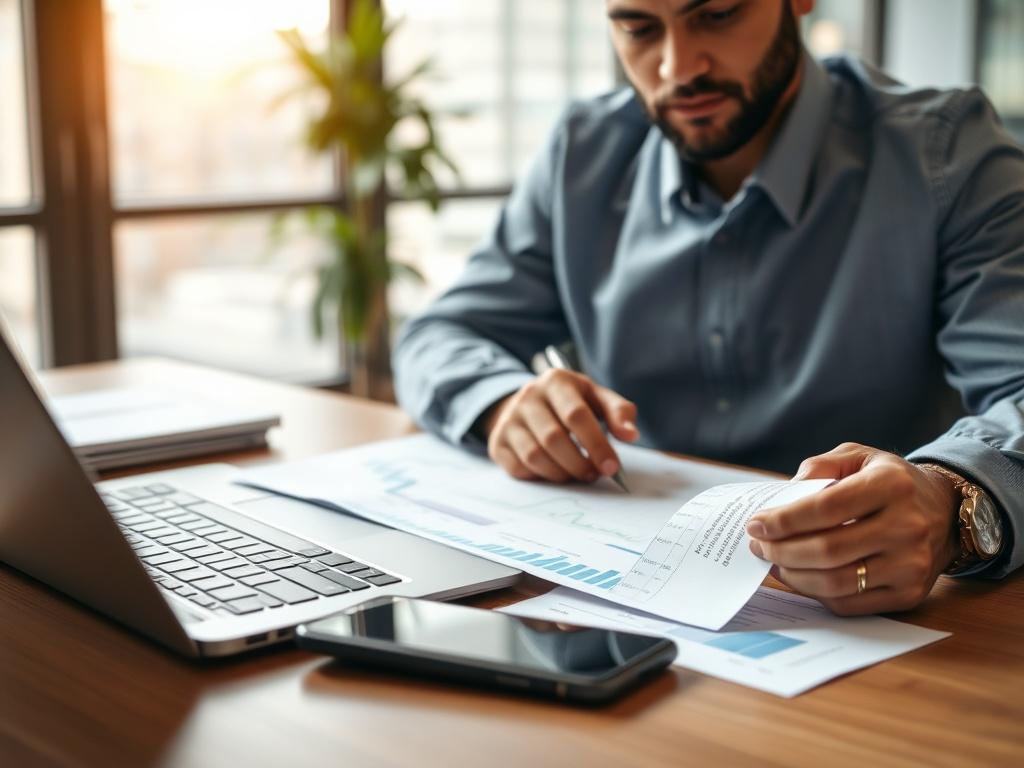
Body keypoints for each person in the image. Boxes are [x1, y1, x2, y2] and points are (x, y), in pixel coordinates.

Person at [392, 0, 1024, 616]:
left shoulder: (947, 153)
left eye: (717, 15)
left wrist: (951, 503)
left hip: (890, 625)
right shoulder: (581, 154)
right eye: (639, 27)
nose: (677, 68)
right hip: (633, 601)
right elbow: (440, 334)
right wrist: (504, 401)